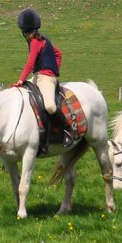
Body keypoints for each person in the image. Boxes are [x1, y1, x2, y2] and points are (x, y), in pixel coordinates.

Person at [12, 8, 75, 148]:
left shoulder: (35, 42)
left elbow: (30, 63)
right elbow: (58, 54)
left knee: (50, 106)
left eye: (26, 32)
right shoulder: (43, 39)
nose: (27, 35)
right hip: (37, 76)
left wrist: (22, 80)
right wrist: (55, 68)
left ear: (25, 31)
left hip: (46, 78)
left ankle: (68, 130)